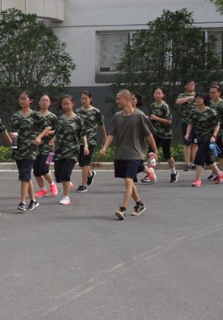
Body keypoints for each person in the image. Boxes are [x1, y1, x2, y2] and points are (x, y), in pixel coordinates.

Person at [99, 89, 158, 220]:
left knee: (128, 181)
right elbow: (111, 134)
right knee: (129, 183)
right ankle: (139, 204)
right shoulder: (117, 116)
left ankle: (123, 209)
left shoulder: (139, 115)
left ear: (126, 99)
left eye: (118, 98)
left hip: (135, 154)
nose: (117, 101)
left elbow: (149, 135)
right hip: (121, 155)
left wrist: (154, 150)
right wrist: (104, 147)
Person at [47, 95, 88, 205]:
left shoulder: (77, 119)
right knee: (58, 175)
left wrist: (86, 145)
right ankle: (67, 184)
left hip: (72, 150)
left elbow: (83, 133)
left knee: (65, 172)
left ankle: (66, 196)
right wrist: (53, 140)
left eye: (67, 103)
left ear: (72, 104)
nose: (65, 106)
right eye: (63, 104)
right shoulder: (60, 119)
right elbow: (58, 133)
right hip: (60, 150)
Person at [184, 92, 223, 187]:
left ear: (204, 100)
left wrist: (214, 135)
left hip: (208, 138)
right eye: (196, 98)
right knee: (208, 159)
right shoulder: (193, 111)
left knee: (199, 156)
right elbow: (190, 123)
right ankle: (220, 174)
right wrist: (187, 133)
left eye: (200, 98)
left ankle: (198, 180)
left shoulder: (210, 111)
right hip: (199, 138)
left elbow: (217, 124)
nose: (197, 100)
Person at [9, 91, 40, 212]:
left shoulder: (35, 115)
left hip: (30, 149)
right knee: (25, 176)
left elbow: (47, 127)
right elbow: (12, 130)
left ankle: (22, 202)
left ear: (30, 101)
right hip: (18, 149)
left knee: (25, 175)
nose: (22, 101)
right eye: (20, 99)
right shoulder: (15, 115)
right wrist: (11, 135)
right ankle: (34, 200)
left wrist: (39, 137)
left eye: (24, 99)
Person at [75, 91, 106, 192]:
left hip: (90, 140)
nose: (83, 101)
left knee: (84, 162)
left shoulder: (96, 111)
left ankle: (83, 185)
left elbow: (101, 124)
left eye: (85, 98)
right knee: (81, 162)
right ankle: (90, 174)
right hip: (79, 140)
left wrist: (105, 137)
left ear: (90, 99)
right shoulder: (78, 111)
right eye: (82, 99)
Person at [148, 87, 178, 183]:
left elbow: (169, 121)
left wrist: (157, 118)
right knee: (151, 153)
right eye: (155, 93)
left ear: (163, 95)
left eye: (159, 93)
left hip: (165, 134)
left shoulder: (164, 106)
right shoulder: (152, 105)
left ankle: (174, 173)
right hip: (155, 133)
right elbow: (151, 118)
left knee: (167, 154)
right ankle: (150, 174)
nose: (157, 95)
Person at [33, 94, 59, 198]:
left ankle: (52, 184)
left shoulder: (52, 117)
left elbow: (58, 131)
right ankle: (43, 189)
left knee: (44, 168)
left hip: (48, 147)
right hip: (36, 147)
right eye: (42, 100)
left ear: (49, 103)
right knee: (36, 170)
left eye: (46, 100)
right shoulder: (35, 115)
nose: (44, 102)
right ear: (39, 102)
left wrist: (48, 133)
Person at [207, 85, 223, 177]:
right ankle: (215, 171)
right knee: (211, 152)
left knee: (221, 153)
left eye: (214, 92)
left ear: (219, 93)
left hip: (221, 132)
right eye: (211, 93)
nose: (212, 94)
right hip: (211, 132)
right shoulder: (209, 103)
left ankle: (222, 171)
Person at [176, 79, 197, 170]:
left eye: (193, 84)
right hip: (186, 121)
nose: (192, 85)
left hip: (197, 121)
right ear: (185, 86)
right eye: (190, 84)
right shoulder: (182, 95)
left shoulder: (197, 95)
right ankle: (187, 163)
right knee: (187, 142)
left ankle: (195, 162)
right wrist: (188, 98)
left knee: (195, 142)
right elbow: (178, 101)